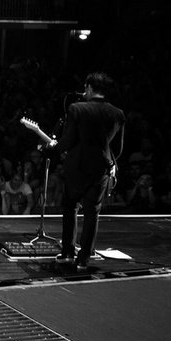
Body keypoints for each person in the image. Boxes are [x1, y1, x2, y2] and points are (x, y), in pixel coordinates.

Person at [48, 72, 125, 269]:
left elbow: (68, 140)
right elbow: (117, 149)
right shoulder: (117, 113)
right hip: (101, 168)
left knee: (71, 207)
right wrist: (108, 162)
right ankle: (83, 258)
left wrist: (54, 148)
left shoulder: (77, 108)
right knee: (93, 212)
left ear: (89, 87)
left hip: (77, 166)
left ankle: (67, 252)